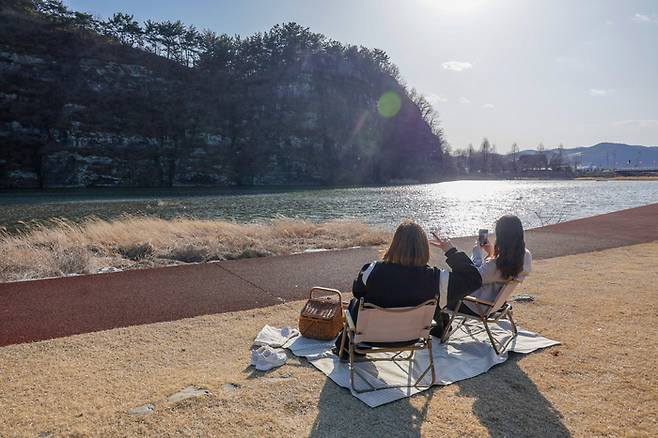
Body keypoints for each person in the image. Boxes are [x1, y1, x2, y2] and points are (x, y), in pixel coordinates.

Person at [334, 219, 482, 358]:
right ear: (424, 248)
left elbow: (357, 292)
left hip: (371, 338)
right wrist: (450, 250)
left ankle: (348, 349)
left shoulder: (372, 270)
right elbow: (473, 279)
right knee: (436, 302)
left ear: (394, 245)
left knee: (356, 302)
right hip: (412, 339)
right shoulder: (437, 278)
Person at [463, 214, 532, 315]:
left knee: (441, 292)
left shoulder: (497, 264)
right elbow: (492, 274)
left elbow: (474, 277)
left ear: (501, 236)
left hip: (476, 305)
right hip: (494, 305)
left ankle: (440, 328)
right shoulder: (525, 256)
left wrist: (477, 252)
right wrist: (492, 253)